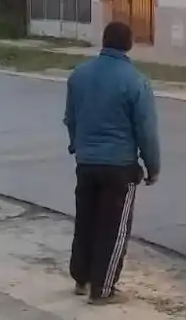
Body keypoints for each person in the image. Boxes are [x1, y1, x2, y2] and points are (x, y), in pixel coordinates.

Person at [64, 21, 160, 306]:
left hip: (86, 163)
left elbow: (71, 118)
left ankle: (81, 279)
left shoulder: (79, 75)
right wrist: (153, 166)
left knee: (86, 220)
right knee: (113, 228)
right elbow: (146, 131)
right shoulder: (136, 81)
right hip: (119, 167)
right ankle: (103, 290)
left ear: (104, 42)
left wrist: (77, 146)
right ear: (129, 44)